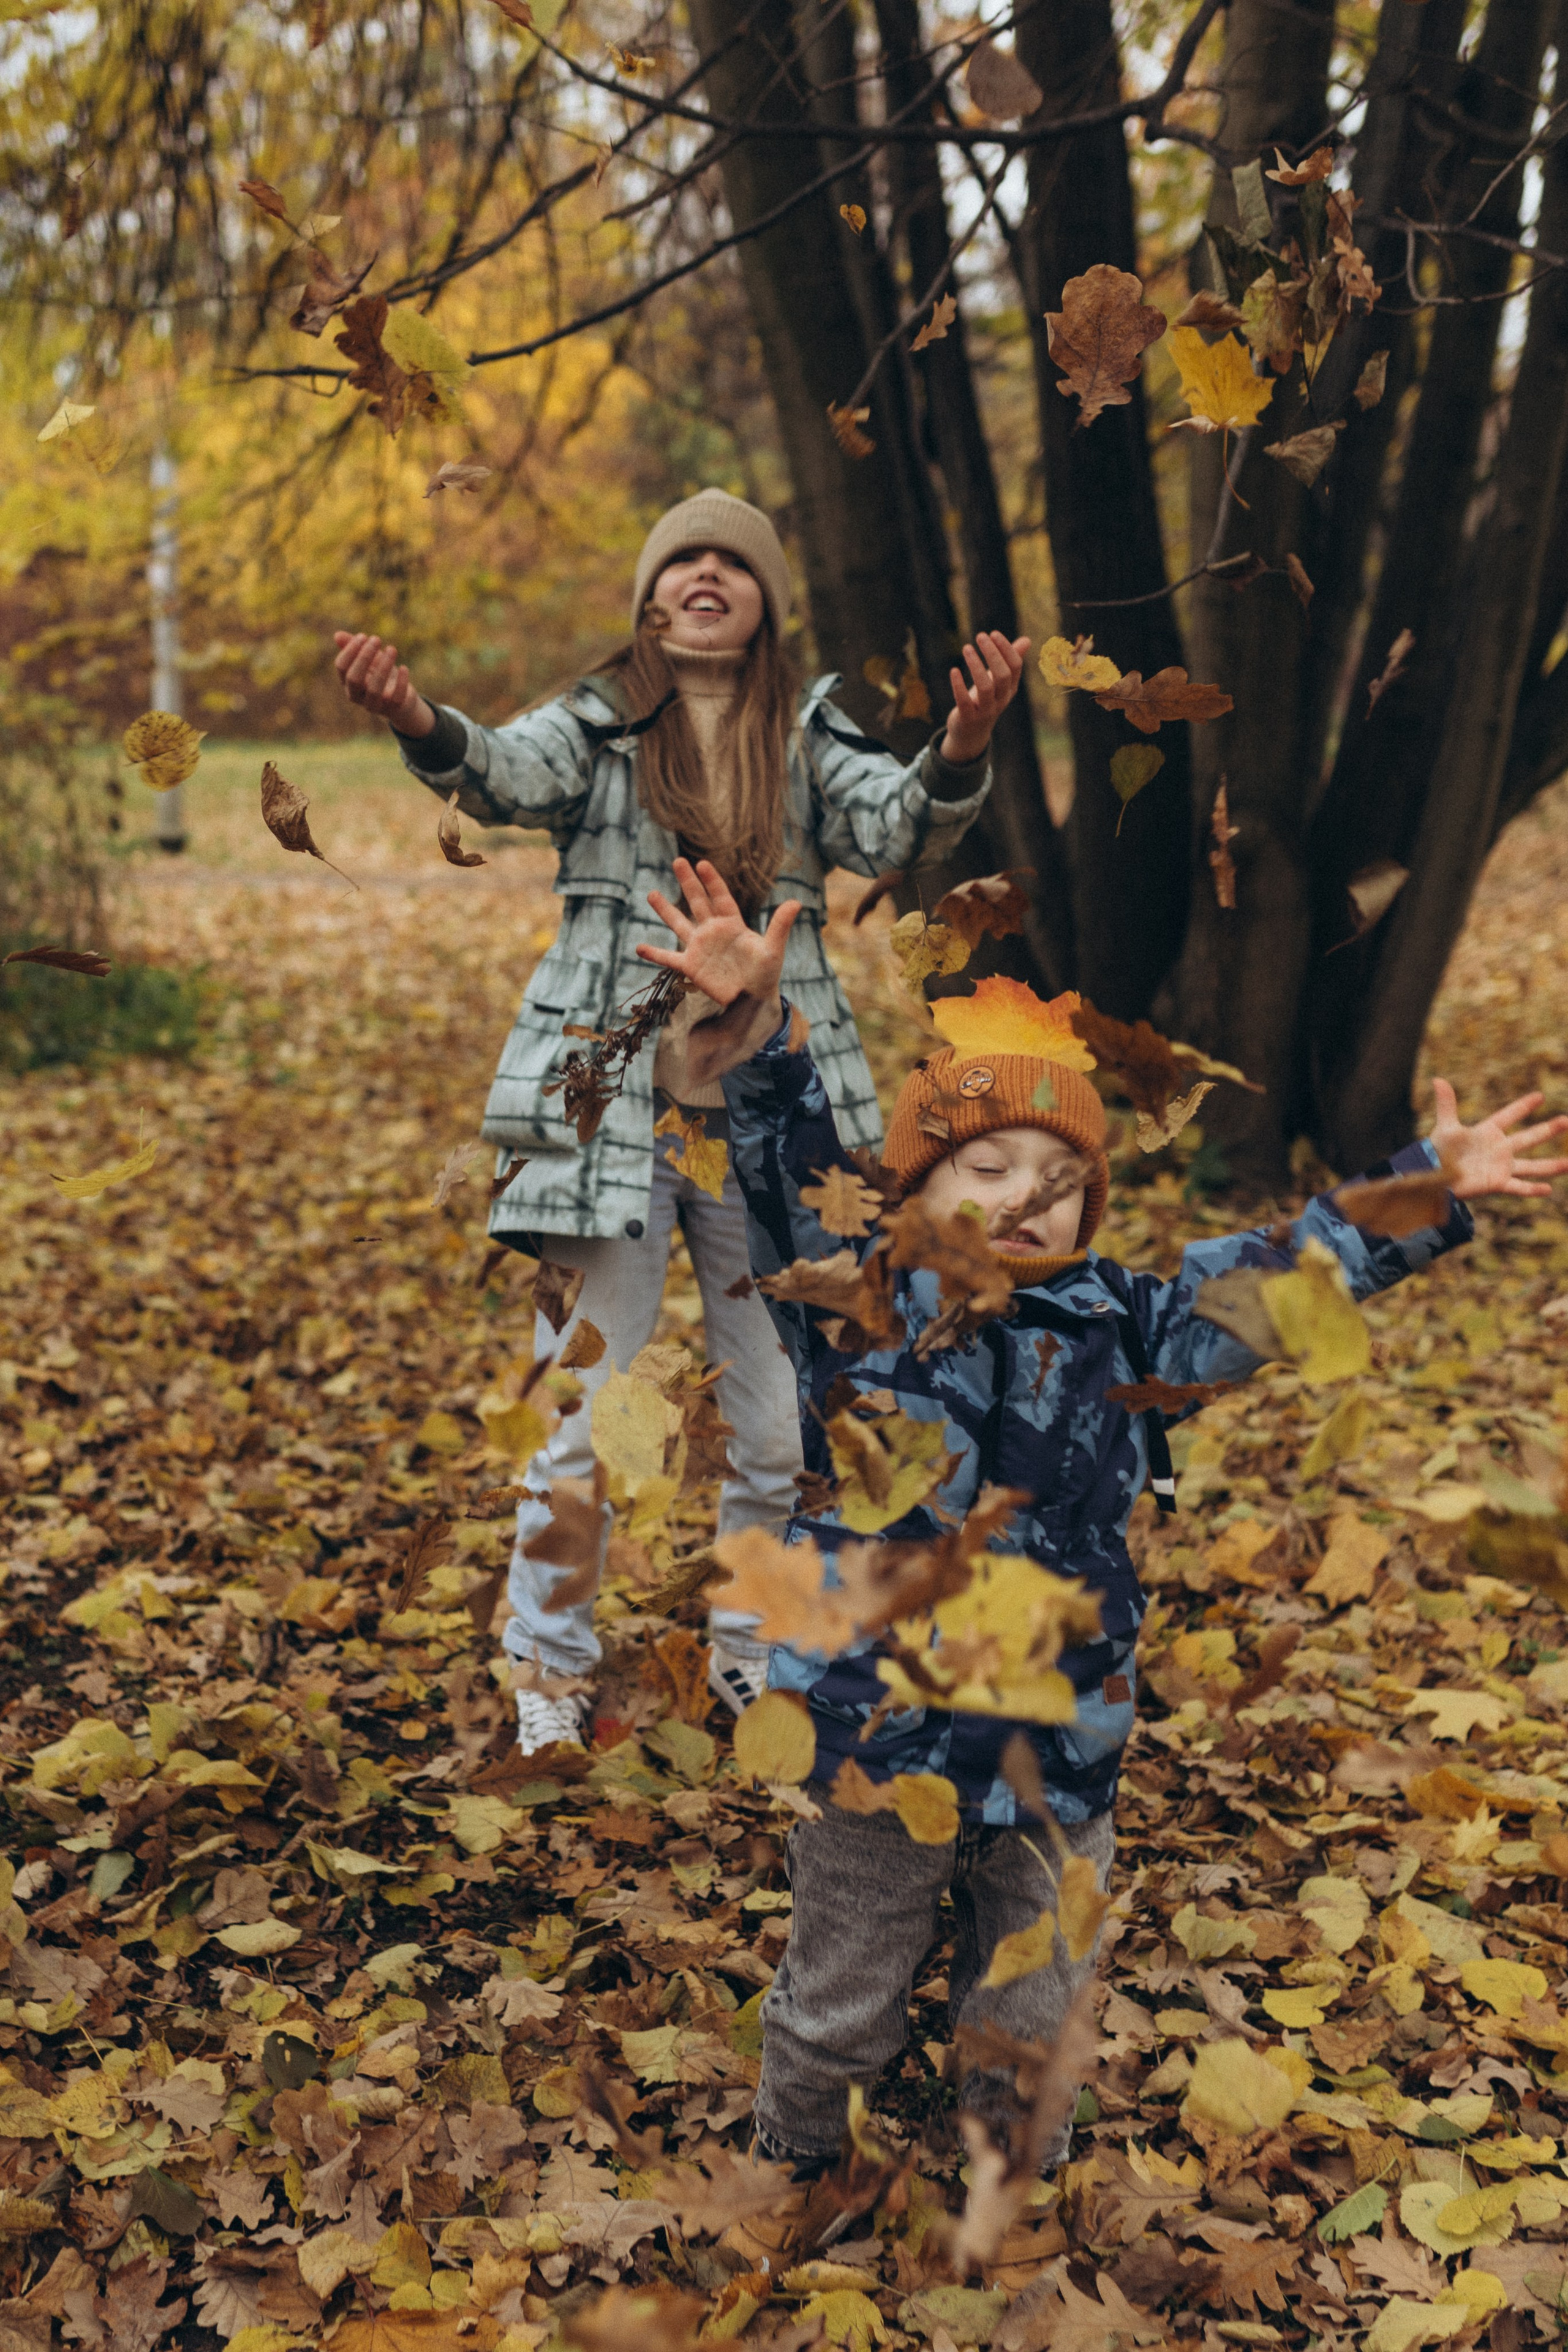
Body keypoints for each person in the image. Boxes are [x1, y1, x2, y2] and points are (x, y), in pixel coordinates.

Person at [636, 854, 1568, 2180]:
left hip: (1058, 1744)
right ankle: (785, 2158)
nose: (1022, 1195)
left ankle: (1005, 2181)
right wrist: (761, 1032)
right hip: (873, 1725)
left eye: (1055, 1176)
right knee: (842, 1995)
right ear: (912, 1188)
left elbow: (1276, 1277)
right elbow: (791, 1170)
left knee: (1033, 2002)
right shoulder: (861, 1298)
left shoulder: (1128, 1330)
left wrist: (1425, 1189)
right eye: (986, 1165)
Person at [332, 488, 1030, 1754]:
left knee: (775, 1417)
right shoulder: (597, 727)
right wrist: (413, 717)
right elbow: (496, 771)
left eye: (733, 562)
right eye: (682, 560)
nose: (706, 574)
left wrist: (964, 743)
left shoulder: (807, 735)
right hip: (611, 1118)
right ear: (651, 597)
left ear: (764, 601)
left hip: (771, 1123)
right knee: (582, 1408)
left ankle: (750, 1658)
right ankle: (548, 1664)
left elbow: (895, 821)